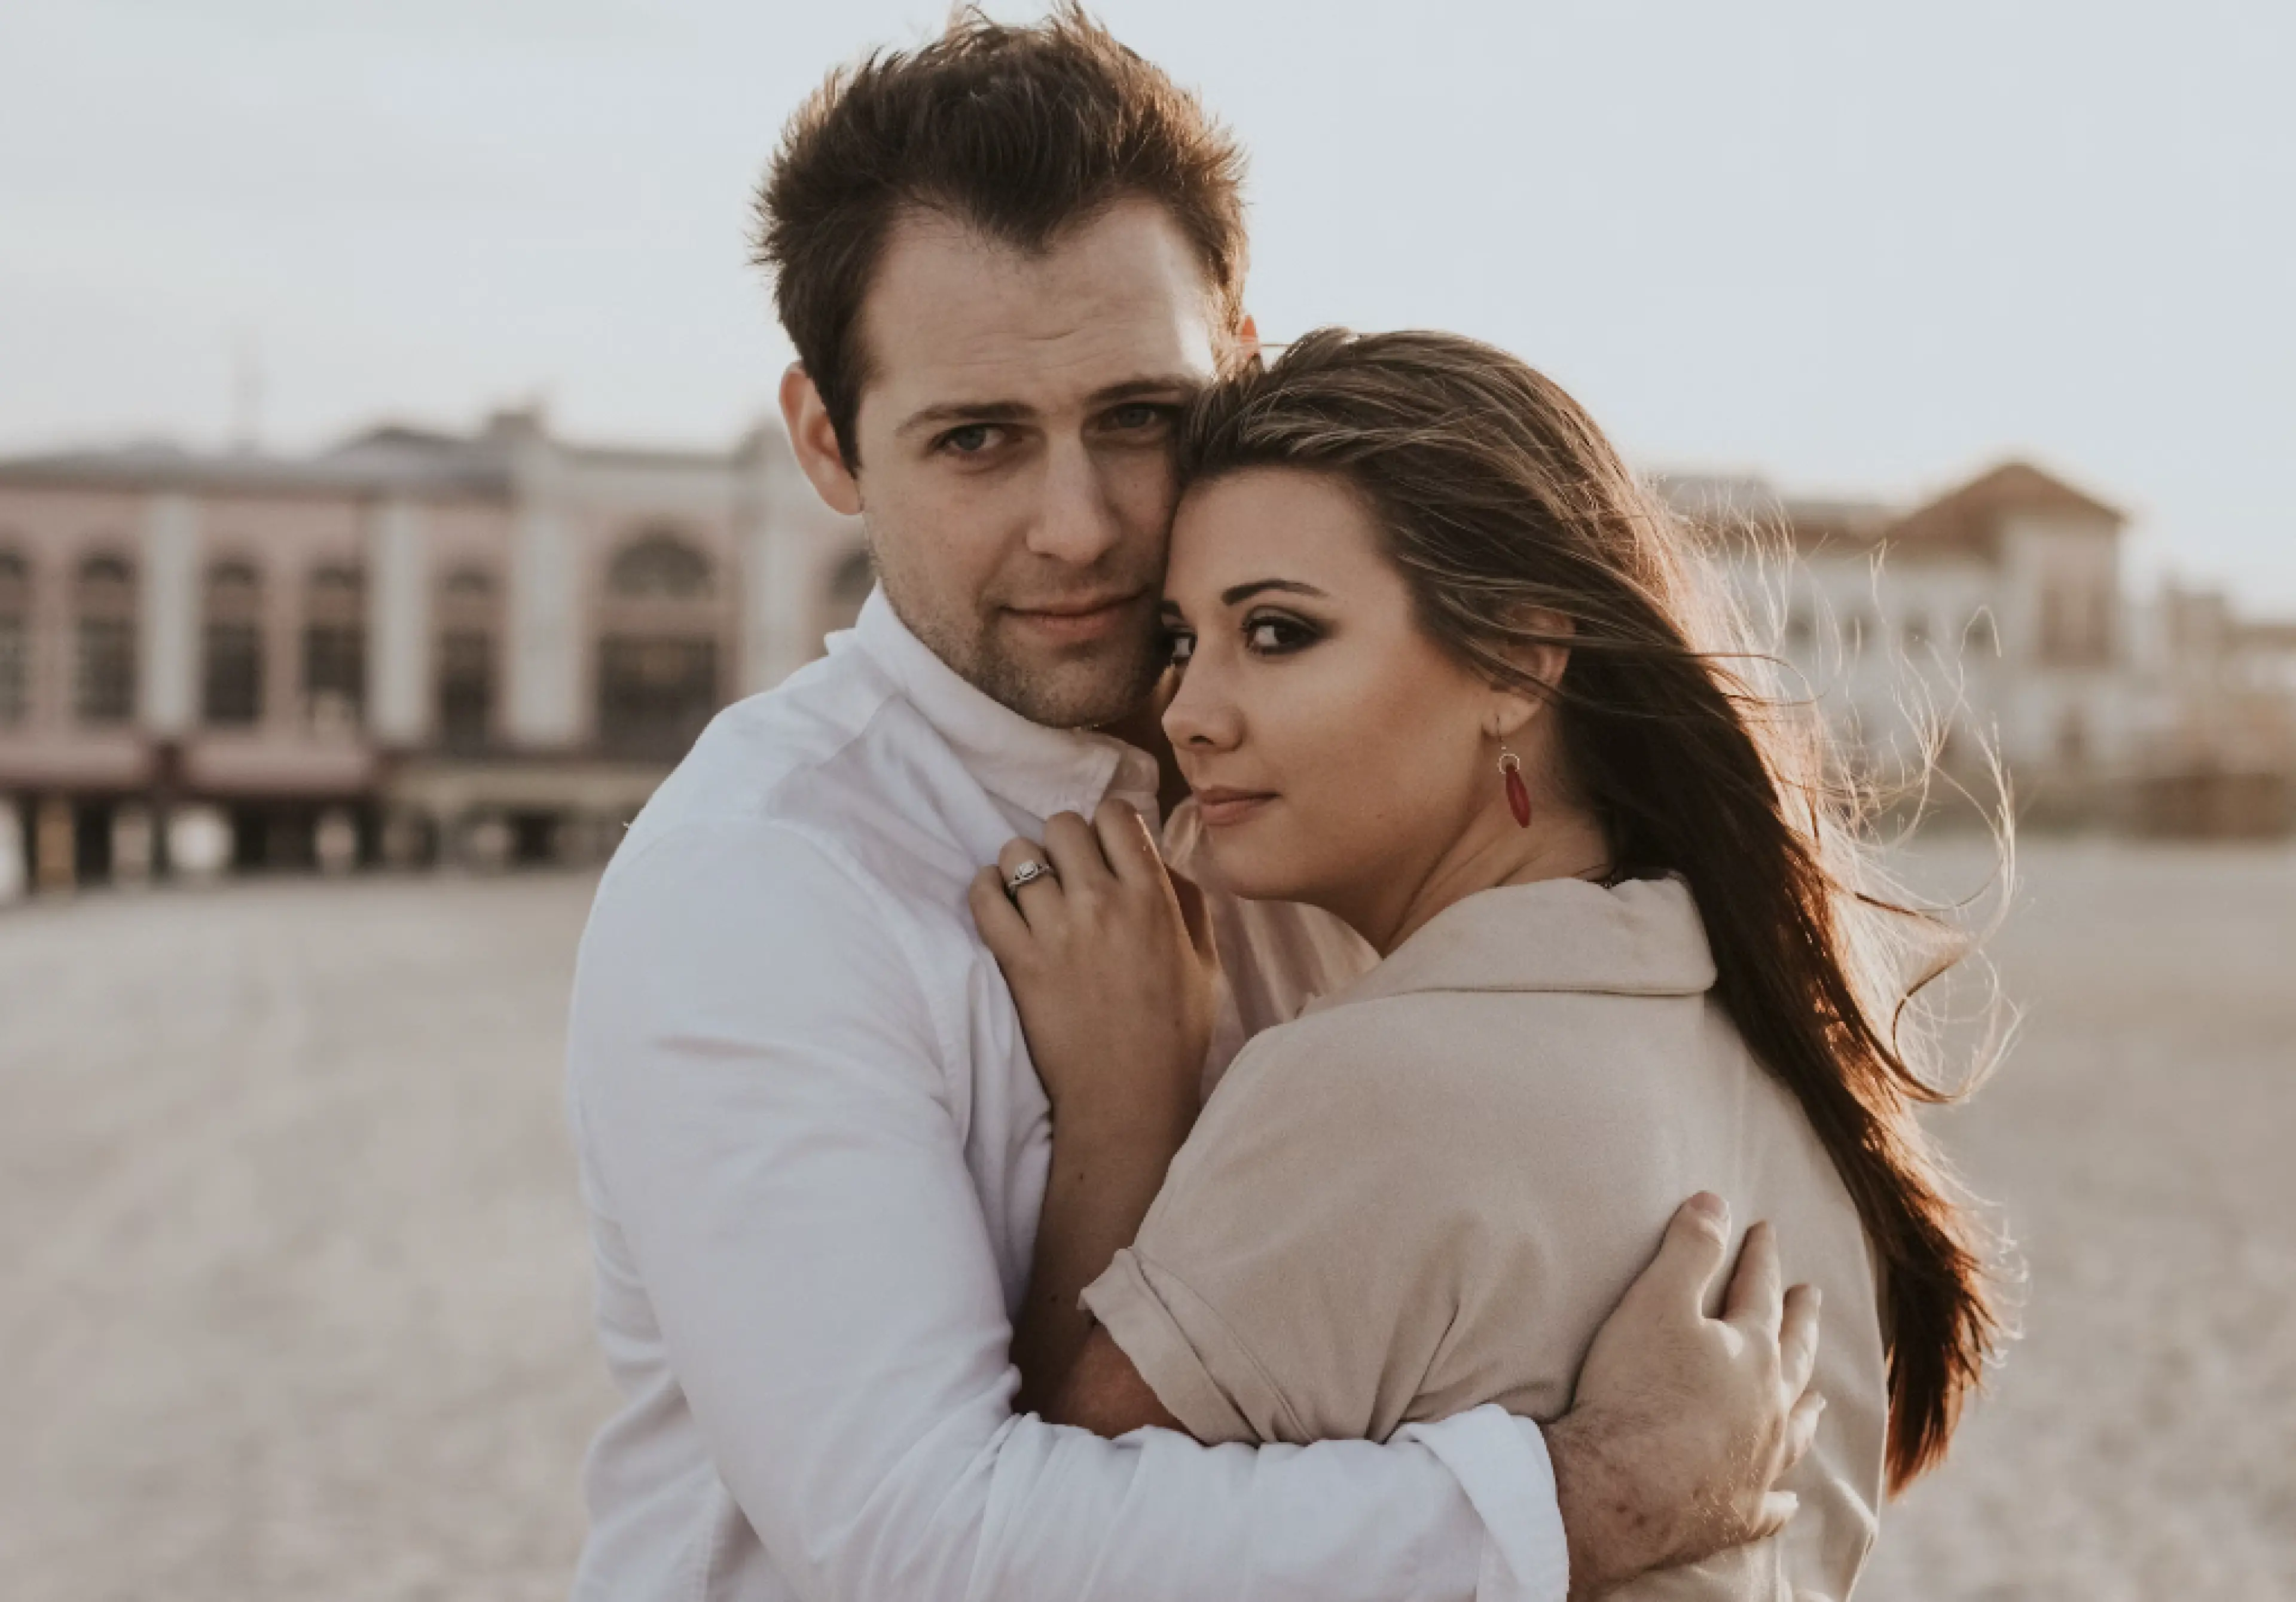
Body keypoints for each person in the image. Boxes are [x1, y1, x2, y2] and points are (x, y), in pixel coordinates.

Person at [566, 12, 1822, 1601]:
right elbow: (916, 1541)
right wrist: (1585, 1499)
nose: (1080, 527)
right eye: (978, 440)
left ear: (1238, 360)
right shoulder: (762, 884)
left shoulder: (1324, 795)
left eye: (1138, 418)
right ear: (829, 441)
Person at [973, 329, 2005, 1599]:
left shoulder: (1379, 1086)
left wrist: (1121, 1104)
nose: (1189, 712)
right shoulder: (1776, 1053)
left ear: (1517, 660)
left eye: (1280, 632)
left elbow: (1030, 1555)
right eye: (1182, 640)